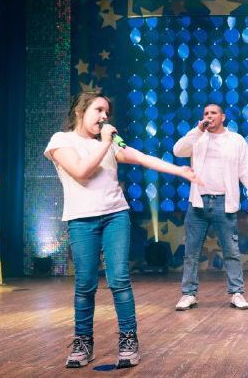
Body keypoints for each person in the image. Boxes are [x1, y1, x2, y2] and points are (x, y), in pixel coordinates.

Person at [44, 91, 201, 369]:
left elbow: (143, 158)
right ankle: (83, 342)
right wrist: (105, 143)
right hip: (81, 220)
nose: (104, 117)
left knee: (119, 280)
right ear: (80, 111)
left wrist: (179, 171)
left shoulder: (109, 145)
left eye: (107, 113)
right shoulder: (61, 140)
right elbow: (80, 172)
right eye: (99, 110)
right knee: (85, 284)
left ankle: (129, 340)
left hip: (115, 216)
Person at [172, 103, 248, 311]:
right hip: (198, 202)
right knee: (191, 252)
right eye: (206, 113)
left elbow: (246, 171)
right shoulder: (197, 137)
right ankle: (188, 294)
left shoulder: (236, 140)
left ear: (223, 117)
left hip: (224, 202)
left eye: (213, 113)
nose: (209, 116)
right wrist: (197, 130)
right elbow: (178, 150)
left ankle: (237, 292)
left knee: (231, 250)